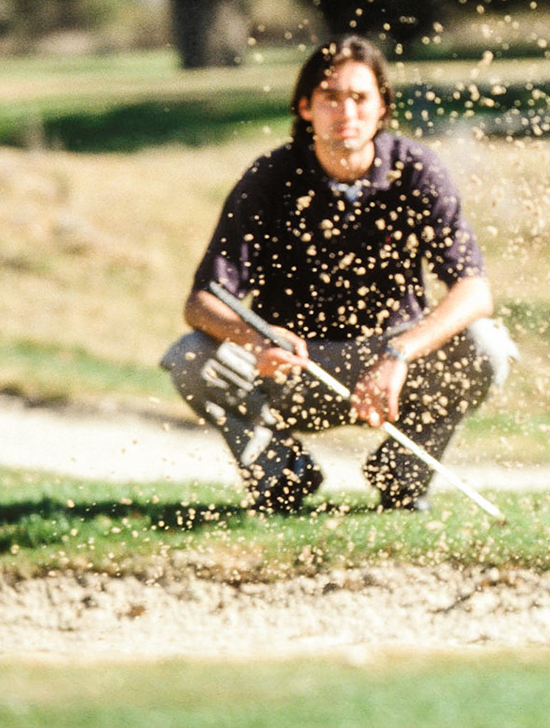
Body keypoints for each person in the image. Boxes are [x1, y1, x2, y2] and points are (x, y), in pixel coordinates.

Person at [161, 35, 515, 513]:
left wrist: (398, 354)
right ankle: (281, 477)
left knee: (485, 348)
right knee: (190, 358)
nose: (345, 110)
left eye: (360, 97)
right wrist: (255, 341)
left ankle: (402, 480)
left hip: (389, 363)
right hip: (294, 367)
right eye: (330, 97)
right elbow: (201, 301)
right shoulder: (270, 177)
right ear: (305, 107)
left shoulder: (415, 171)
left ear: (382, 107)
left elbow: (474, 291)